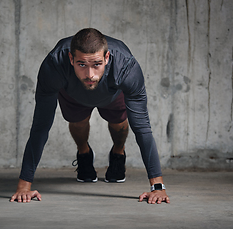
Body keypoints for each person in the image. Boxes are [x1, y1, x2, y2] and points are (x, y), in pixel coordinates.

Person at [10, 28, 170, 204]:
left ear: (107, 58)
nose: (90, 75)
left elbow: (142, 128)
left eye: (96, 64)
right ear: (71, 59)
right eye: (82, 65)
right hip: (72, 93)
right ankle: (84, 153)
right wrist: (24, 187)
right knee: (78, 123)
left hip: (112, 94)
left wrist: (157, 187)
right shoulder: (54, 65)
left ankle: (118, 152)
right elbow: (41, 126)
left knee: (119, 124)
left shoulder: (126, 67)